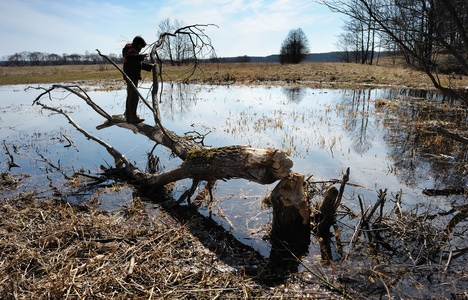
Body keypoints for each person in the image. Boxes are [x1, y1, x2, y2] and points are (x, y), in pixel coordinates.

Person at [122, 36, 152, 123]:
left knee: (131, 95)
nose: (141, 49)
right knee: (134, 96)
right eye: (141, 47)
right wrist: (141, 56)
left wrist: (150, 66)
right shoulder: (131, 50)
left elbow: (137, 64)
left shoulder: (130, 50)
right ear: (138, 44)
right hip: (131, 76)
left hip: (130, 75)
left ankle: (128, 116)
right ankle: (132, 117)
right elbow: (131, 57)